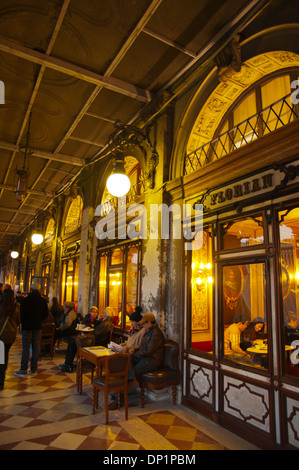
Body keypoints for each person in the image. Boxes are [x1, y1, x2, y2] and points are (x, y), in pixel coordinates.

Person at [109, 312, 164, 409]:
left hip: (152, 361)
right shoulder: (148, 331)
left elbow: (148, 351)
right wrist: (134, 351)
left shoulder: (155, 333)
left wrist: (135, 354)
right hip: (144, 357)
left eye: (144, 323)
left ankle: (120, 399)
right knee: (126, 361)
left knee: (130, 372)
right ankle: (127, 386)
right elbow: (143, 348)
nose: (142, 325)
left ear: (149, 323)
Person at [59, 306, 112, 372]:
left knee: (72, 343)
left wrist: (86, 337)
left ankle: (68, 365)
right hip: (96, 341)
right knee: (74, 341)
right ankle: (68, 363)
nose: (102, 314)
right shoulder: (107, 322)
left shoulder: (105, 324)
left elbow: (95, 334)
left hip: (94, 343)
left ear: (106, 314)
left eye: (103, 312)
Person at [15, 282, 49, 377]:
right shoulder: (43, 301)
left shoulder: (25, 300)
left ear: (31, 289)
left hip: (27, 327)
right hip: (37, 327)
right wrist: (39, 320)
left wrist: (23, 323)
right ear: (39, 290)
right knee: (36, 348)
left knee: (25, 348)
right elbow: (46, 315)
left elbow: (21, 314)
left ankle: (23, 369)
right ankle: (33, 369)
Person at [0, 289, 19, 389]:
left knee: (1, 358)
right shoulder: (15, 308)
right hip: (11, 335)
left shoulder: (1, 306)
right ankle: (2, 376)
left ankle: (1, 380)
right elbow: (18, 322)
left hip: (1, 335)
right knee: (4, 355)